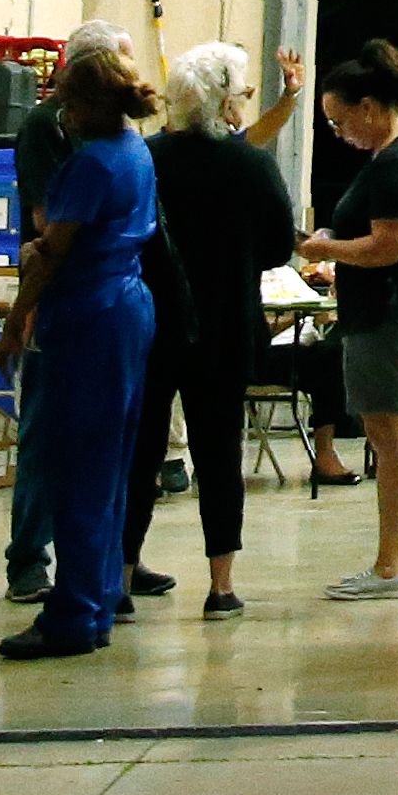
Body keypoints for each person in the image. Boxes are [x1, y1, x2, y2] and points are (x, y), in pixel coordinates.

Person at [117, 44, 303, 612]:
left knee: (141, 451)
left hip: (152, 323)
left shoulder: (147, 158)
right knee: (220, 452)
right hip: (224, 325)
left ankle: (121, 580)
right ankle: (221, 586)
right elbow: (278, 245)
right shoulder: (251, 164)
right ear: (226, 101)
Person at [0, 48, 166, 660]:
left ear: (89, 105)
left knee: (76, 466)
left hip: (87, 312)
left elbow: (51, 252)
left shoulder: (89, 164)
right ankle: (97, 598)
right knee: (112, 460)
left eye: (66, 103)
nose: (61, 115)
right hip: (128, 307)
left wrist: (16, 321)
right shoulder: (135, 150)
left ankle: (71, 613)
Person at [302, 40, 398, 601]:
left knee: (390, 439)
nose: (338, 133)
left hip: (392, 316)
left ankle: (389, 567)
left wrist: (327, 251)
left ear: (369, 107)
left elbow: (391, 246)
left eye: (340, 121)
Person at [4, 18, 130, 605]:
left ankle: (110, 566)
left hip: (108, 299)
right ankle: (30, 558)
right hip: (70, 297)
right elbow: (47, 229)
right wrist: (19, 311)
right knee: (47, 434)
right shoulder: (49, 130)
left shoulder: (121, 149)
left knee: (107, 439)